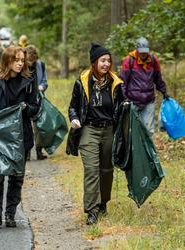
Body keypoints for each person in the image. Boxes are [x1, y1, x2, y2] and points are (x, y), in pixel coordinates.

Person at [67, 43, 123, 225]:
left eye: (108, 61)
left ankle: (103, 202)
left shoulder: (116, 83)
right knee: (92, 170)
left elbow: (121, 107)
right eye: (102, 60)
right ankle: (92, 209)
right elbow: (73, 107)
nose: (106, 64)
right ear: (94, 62)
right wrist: (74, 118)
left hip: (109, 130)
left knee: (106, 170)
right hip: (89, 130)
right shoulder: (82, 83)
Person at [0, 45, 39, 228]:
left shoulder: (29, 80)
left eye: (22, 60)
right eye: (16, 60)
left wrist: (26, 108)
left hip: (21, 136)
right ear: (7, 60)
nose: (19, 63)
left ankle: (10, 214)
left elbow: (35, 109)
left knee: (16, 177)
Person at [119, 37, 169, 135]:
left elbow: (158, 78)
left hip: (149, 101)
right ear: (136, 49)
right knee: (133, 131)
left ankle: (148, 150)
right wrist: (123, 97)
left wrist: (164, 91)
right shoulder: (129, 61)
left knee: (148, 131)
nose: (143, 54)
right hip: (133, 102)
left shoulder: (153, 60)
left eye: (145, 51)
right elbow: (122, 82)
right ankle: (135, 150)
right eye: (141, 52)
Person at [25, 45, 48, 160]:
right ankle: (27, 152)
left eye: (33, 60)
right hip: (25, 101)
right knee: (26, 127)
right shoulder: (22, 67)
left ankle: (39, 150)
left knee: (39, 127)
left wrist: (41, 87)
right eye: (29, 60)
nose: (31, 62)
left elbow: (45, 81)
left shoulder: (41, 65)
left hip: (38, 100)